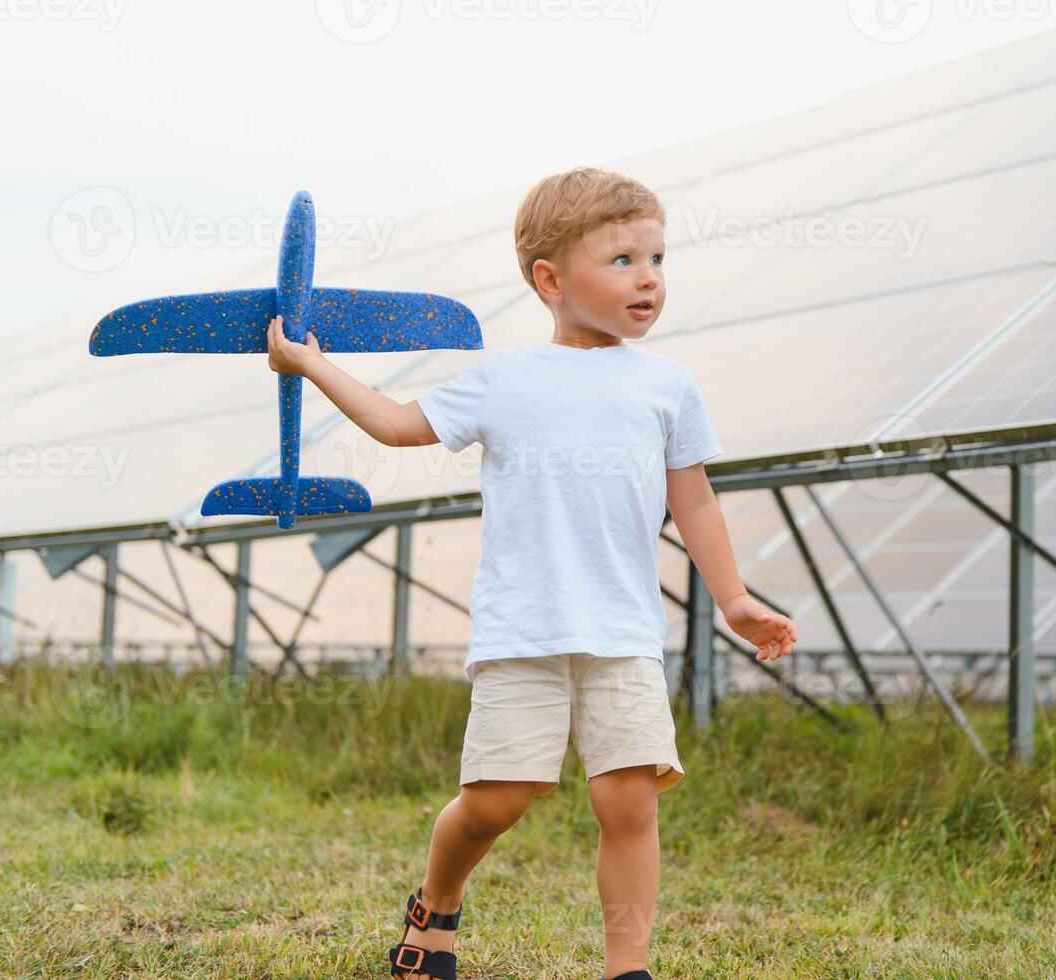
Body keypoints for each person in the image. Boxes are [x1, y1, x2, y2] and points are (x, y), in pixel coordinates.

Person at [266, 165, 798, 979]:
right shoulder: (506, 379)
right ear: (550, 279)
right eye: (621, 260)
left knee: (628, 798)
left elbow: (692, 501)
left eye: (656, 258)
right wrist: (310, 365)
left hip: (622, 631)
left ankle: (629, 967)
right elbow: (398, 424)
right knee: (496, 802)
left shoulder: (667, 385)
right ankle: (435, 906)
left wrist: (732, 597)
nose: (648, 277)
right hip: (525, 630)